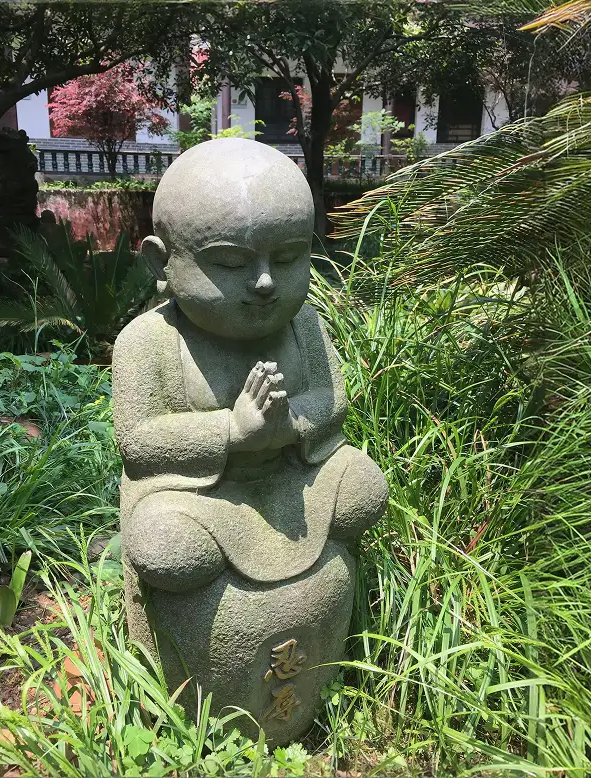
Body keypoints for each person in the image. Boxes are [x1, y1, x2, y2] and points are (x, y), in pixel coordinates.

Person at [112, 138, 388, 595]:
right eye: (230, 262)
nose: (264, 281)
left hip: (294, 478)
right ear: (162, 263)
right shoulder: (148, 340)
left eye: (285, 259)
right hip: (196, 495)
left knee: (364, 488)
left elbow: (333, 398)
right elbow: (138, 440)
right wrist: (233, 430)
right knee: (167, 548)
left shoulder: (303, 322)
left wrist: (287, 426)